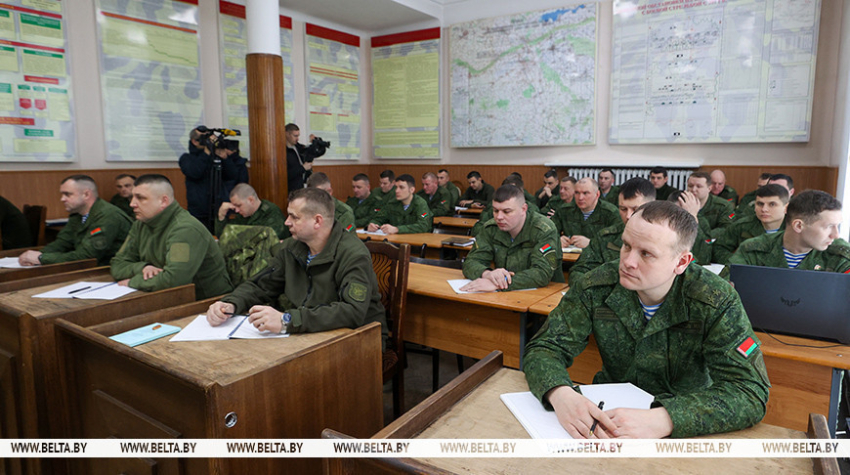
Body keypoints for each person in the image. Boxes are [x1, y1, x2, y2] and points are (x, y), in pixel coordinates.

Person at [524, 200, 770, 439]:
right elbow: (545, 347)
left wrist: (666, 419)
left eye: (646, 254)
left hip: (687, 423)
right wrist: (560, 393)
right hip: (608, 416)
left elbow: (750, 391)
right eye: (626, 246)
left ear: (681, 262)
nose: (628, 262)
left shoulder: (714, 299)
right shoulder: (596, 285)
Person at [205, 187, 387, 346]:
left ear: (317, 221)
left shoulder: (353, 254)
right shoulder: (292, 248)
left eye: (294, 217)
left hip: (359, 339)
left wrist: (288, 320)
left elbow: (352, 311)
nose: (287, 222)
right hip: (310, 334)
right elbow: (262, 284)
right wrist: (231, 303)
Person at [111, 174, 233, 300]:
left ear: (163, 201)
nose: (132, 204)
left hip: (208, 302)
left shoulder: (185, 229)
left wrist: (133, 282)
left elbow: (174, 279)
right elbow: (117, 264)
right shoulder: (141, 224)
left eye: (140, 198)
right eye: (132, 197)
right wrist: (142, 267)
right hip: (166, 297)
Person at [724, 190, 850, 276]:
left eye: (837, 226)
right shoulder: (754, 249)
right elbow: (724, 293)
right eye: (829, 227)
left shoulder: (840, 255)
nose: (835, 235)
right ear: (798, 226)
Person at [462, 185, 561, 291]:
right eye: (495, 211)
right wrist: (487, 274)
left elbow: (542, 273)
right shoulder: (491, 228)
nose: (499, 217)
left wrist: (500, 284)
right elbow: (471, 262)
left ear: (523, 209)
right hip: (504, 295)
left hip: (546, 293)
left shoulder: (544, 230)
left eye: (507, 211)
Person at [18, 175, 131, 267]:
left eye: (68, 194)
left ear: (86, 194)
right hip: (91, 267)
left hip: (110, 269)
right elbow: (63, 242)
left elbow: (87, 257)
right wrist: (39, 254)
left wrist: (42, 258)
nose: (62, 199)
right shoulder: (78, 214)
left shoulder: (108, 216)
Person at [568, 178, 655, 285]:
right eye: (623, 209)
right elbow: (577, 272)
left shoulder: (662, 239)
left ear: (651, 207)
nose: (628, 216)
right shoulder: (606, 236)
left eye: (635, 209)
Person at [179, 127, 248, 231]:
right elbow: (195, 172)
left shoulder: (217, 157)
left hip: (220, 209)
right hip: (199, 211)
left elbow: (232, 176)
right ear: (194, 141)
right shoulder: (187, 158)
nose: (209, 141)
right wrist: (206, 153)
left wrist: (225, 158)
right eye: (205, 138)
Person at [712, 184, 788, 264]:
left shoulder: (794, 229)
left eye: (772, 204)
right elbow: (719, 248)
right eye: (760, 204)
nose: (764, 209)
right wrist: (738, 262)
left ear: (786, 208)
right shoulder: (743, 226)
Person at [551, 177, 619, 249]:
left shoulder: (611, 213)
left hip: (599, 255)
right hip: (569, 254)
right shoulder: (564, 210)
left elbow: (618, 244)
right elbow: (549, 234)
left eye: (585, 193)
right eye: (577, 193)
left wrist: (592, 243)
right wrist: (557, 240)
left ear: (597, 194)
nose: (580, 198)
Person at [472, 175, 540, 237]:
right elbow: (477, 229)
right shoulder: (494, 206)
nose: (499, 217)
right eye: (504, 191)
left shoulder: (532, 210)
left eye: (507, 211)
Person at [214, 183, 287, 240]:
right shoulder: (242, 215)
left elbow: (268, 240)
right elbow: (223, 237)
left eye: (239, 205)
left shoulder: (270, 213)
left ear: (251, 200)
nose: (237, 210)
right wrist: (221, 216)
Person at [367, 174, 432, 234]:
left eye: (401, 187)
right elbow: (379, 218)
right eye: (396, 187)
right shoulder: (392, 203)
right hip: (396, 239)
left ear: (411, 190)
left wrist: (397, 229)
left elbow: (423, 226)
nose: (397, 191)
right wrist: (373, 224)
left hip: (417, 240)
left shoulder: (420, 204)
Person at [667, 190, 713, 265]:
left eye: (685, 212)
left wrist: (693, 220)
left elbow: (705, 258)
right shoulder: (663, 223)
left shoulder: (702, 222)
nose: (681, 216)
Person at [687, 171, 733, 237]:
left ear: (709, 188)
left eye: (699, 186)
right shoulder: (679, 202)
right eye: (690, 186)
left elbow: (726, 229)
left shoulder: (723, 205)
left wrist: (705, 236)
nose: (693, 190)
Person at [285, 123, 327, 192]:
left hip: (302, 186)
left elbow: (315, 152)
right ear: (287, 134)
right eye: (295, 136)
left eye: (298, 135)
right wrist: (303, 168)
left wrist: (316, 141)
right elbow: (286, 174)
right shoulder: (283, 152)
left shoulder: (298, 147)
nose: (297, 139)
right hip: (291, 189)